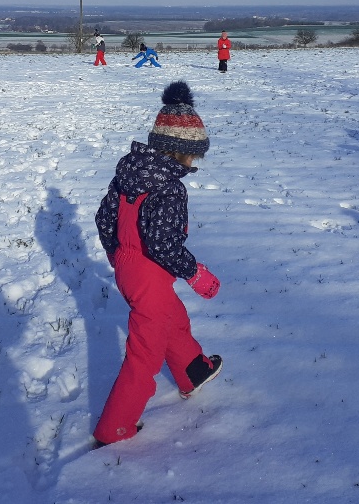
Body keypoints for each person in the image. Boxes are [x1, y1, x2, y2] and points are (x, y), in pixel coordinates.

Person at [93, 81, 223, 446]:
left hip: (128, 269)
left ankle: (193, 371)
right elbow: (163, 244)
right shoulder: (169, 189)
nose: (194, 164)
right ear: (180, 152)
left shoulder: (128, 175)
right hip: (149, 274)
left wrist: (117, 255)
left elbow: (104, 219)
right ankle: (115, 426)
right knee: (144, 354)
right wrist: (195, 273)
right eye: (193, 157)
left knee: (172, 318)